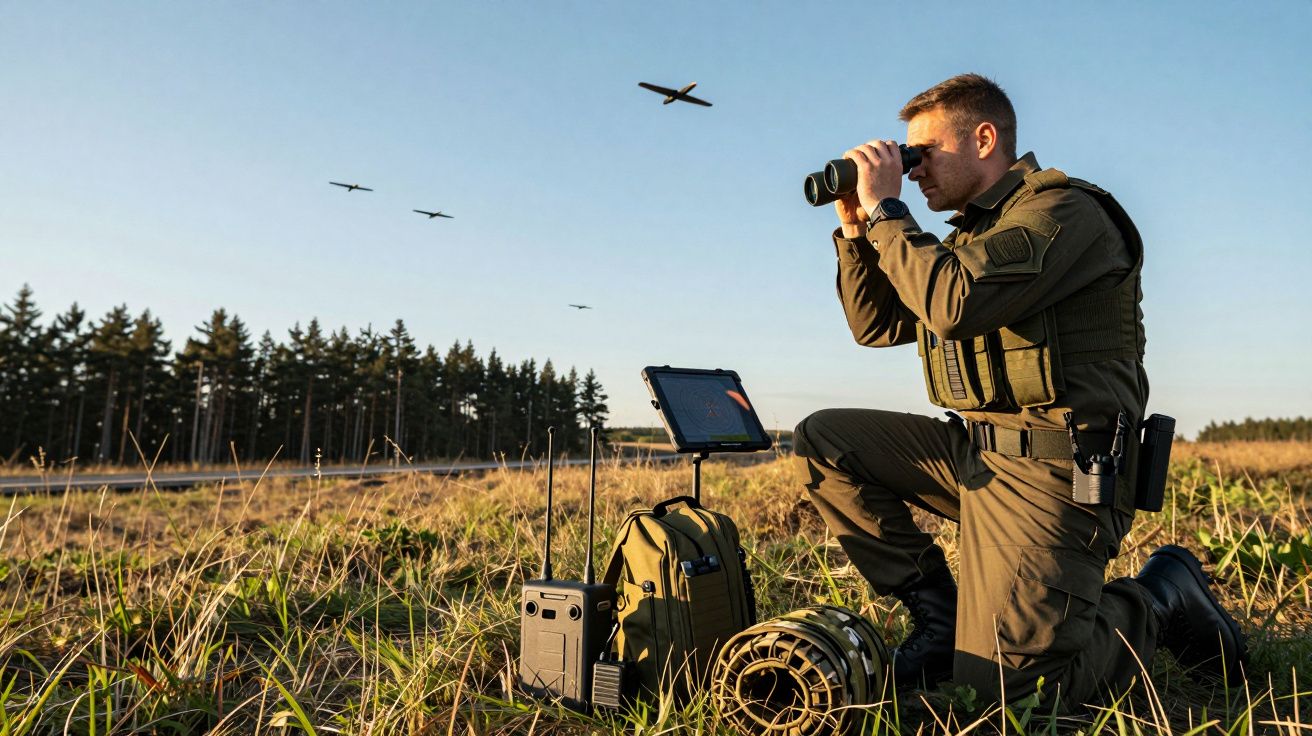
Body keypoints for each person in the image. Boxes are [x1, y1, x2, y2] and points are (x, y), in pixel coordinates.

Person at [793, 73, 1246, 708]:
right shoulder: (963, 238)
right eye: (905, 159)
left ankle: (1157, 601)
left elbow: (951, 303)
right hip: (978, 456)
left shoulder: (1065, 213)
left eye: (921, 153)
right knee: (826, 439)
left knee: (1013, 696)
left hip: (1060, 471)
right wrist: (856, 232)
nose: (912, 171)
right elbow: (878, 326)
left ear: (984, 139)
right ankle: (942, 617)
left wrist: (890, 212)